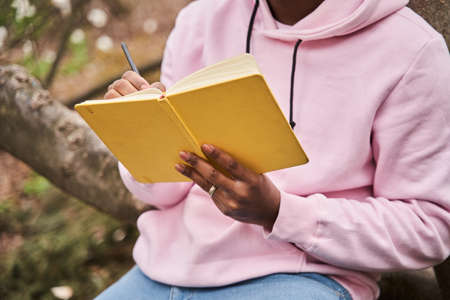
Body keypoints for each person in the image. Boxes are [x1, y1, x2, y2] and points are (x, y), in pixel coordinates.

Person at [96, 0, 450, 299]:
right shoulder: (202, 19)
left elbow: (428, 226)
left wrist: (279, 212)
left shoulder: (410, 51)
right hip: (159, 271)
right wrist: (141, 134)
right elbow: (160, 194)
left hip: (300, 279)